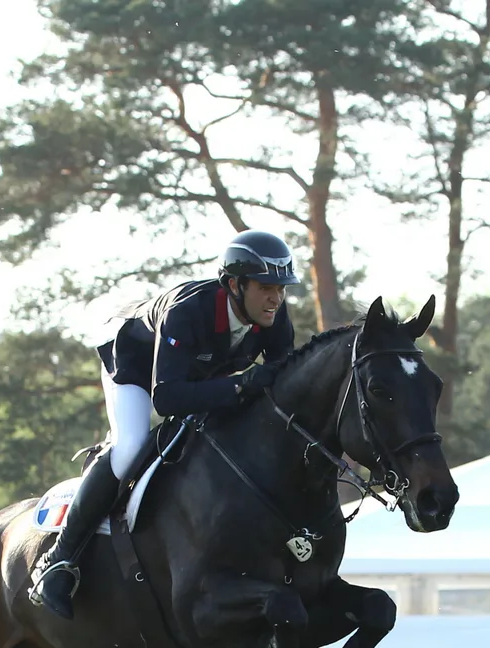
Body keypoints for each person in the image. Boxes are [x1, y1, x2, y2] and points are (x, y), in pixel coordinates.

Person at [32, 230, 299, 619]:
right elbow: (168, 398)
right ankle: (59, 561)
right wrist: (240, 384)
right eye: (265, 287)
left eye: (281, 288)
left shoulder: (273, 316)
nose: (276, 298)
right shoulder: (189, 311)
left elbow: (280, 382)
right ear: (235, 285)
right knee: (129, 447)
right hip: (137, 365)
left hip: (196, 374)